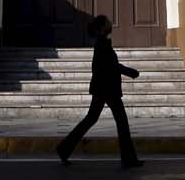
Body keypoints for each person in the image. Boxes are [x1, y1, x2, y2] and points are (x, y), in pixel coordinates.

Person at [56, 15, 144, 168]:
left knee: (91, 119)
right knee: (121, 123)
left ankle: (64, 149)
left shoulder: (102, 44)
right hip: (107, 89)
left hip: (102, 88)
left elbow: (111, 65)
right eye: (108, 22)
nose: (111, 24)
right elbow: (112, 66)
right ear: (103, 28)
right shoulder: (102, 45)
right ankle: (129, 160)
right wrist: (131, 72)